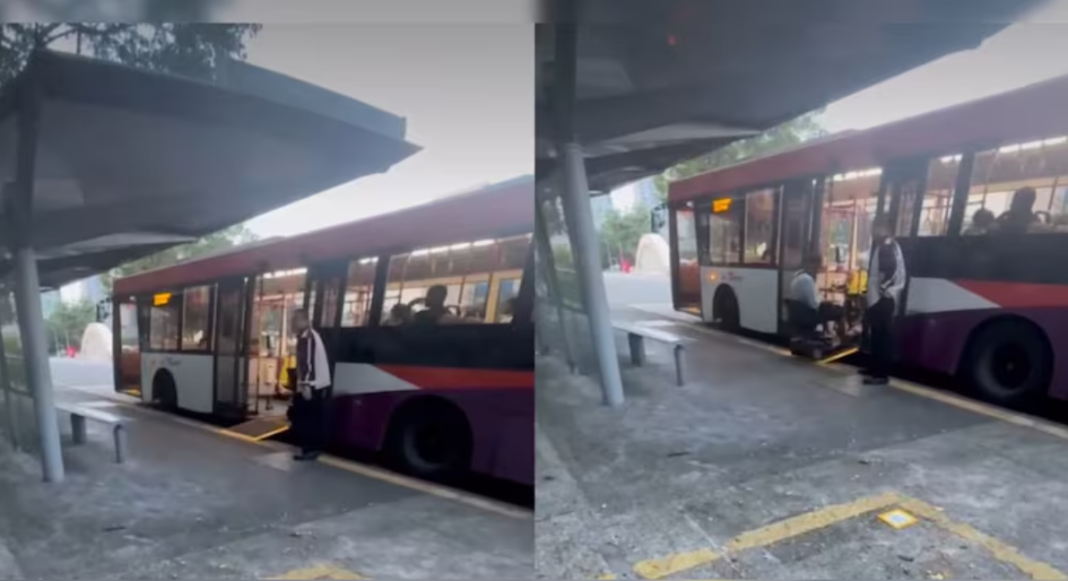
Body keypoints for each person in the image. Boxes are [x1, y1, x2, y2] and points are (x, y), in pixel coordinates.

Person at [863, 215, 906, 385]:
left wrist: (882, 291)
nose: (872, 232)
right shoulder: (888, 245)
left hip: (883, 298)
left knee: (881, 336)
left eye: (875, 228)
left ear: (884, 228)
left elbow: (888, 272)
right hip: (882, 298)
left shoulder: (887, 246)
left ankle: (880, 374)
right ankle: (874, 368)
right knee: (877, 335)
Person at [287, 308, 332, 460]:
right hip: (315, 383)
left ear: (304, 321)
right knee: (311, 417)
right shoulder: (307, 336)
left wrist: (305, 385)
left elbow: (308, 364)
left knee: (309, 418)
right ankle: (310, 448)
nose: (292, 323)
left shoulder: (308, 338)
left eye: (295, 320)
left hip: (313, 384)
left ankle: (310, 449)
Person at [788, 254, 843, 336]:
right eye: (817, 266)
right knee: (840, 311)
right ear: (811, 264)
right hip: (808, 315)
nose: (817, 270)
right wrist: (827, 302)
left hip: (800, 313)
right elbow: (814, 304)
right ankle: (841, 335)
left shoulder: (797, 277)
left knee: (828, 307)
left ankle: (828, 332)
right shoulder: (807, 279)